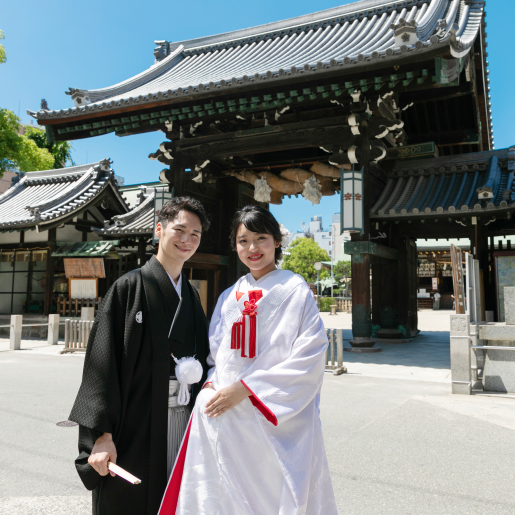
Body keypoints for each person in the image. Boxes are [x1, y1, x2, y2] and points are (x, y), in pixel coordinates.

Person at [160, 205, 337, 515]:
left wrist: (246, 388)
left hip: (272, 415)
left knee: (271, 495)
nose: (252, 248)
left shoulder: (296, 291)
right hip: (227, 415)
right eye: (243, 240)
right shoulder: (229, 296)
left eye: (261, 238)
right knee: (222, 497)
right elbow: (216, 356)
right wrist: (211, 387)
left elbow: (309, 355)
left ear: (277, 242)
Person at [69, 196, 212, 515]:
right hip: (133, 426)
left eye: (195, 234)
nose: (187, 240)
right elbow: (102, 367)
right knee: (128, 501)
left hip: (181, 419)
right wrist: (101, 436)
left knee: (176, 501)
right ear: (159, 229)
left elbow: (208, 360)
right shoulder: (128, 288)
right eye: (180, 230)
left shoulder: (190, 297)